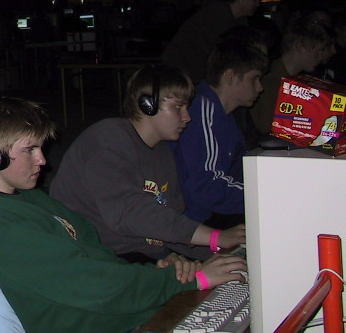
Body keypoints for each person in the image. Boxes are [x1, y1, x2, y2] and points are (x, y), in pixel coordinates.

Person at [0, 96, 246, 333]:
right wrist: (187, 280)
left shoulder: (27, 197)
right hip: (105, 322)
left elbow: (96, 256)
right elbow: (95, 286)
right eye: (30, 149)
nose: (42, 159)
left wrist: (159, 270)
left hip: (115, 309)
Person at [50, 65, 245, 263]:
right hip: (92, 255)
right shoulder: (107, 140)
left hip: (138, 254)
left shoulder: (163, 153)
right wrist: (214, 238)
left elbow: (168, 222)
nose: (187, 117)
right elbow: (129, 213)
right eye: (178, 107)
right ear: (147, 105)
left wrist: (220, 253)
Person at [172, 39, 268, 225]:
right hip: (195, 220)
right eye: (254, 79)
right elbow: (206, 185)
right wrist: (265, 197)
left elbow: (237, 171)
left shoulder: (223, 114)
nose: (260, 87)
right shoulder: (201, 110)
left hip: (210, 214)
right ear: (230, 76)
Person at [162, 0, 262, 83]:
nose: (258, 3)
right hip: (180, 77)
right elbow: (221, 60)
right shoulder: (215, 18)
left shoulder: (236, 19)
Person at [249, 19, 333, 139]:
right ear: (299, 47)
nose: (321, 57)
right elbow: (267, 128)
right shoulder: (270, 81)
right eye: (318, 51)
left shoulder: (296, 80)